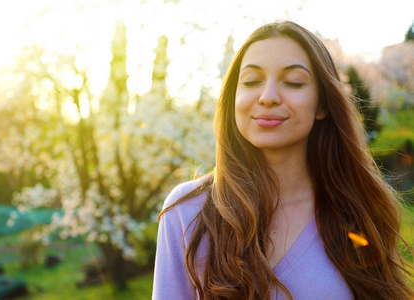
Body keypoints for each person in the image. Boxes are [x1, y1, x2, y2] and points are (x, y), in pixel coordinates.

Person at [152, 21, 414, 300]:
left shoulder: (357, 211)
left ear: (322, 104)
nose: (268, 97)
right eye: (252, 81)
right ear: (233, 98)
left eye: (293, 82)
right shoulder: (187, 212)